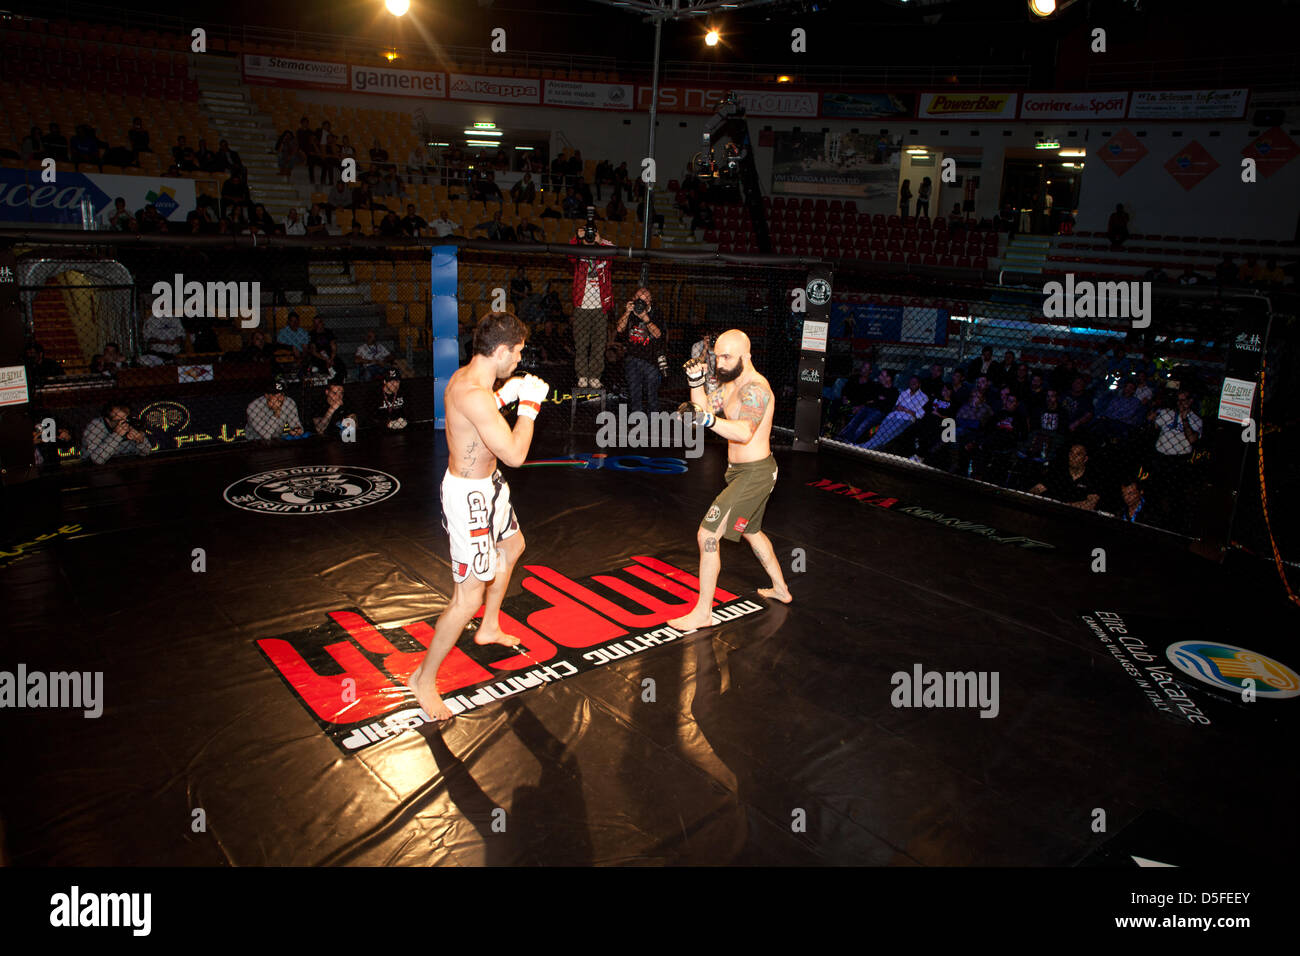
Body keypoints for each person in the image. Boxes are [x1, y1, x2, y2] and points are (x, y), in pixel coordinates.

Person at [406, 312, 550, 722]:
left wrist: (509, 393)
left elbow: (481, 411)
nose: (520, 360)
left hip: (490, 484)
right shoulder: (473, 392)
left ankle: (489, 626)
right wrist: (529, 407)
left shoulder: (471, 380)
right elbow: (516, 454)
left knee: (513, 545)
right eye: (517, 353)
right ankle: (422, 678)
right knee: (466, 596)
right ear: (501, 350)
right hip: (469, 495)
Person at [668, 329, 792, 632]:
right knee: (751, 530)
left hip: (755, 474)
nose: (719, 363)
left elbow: (743, 431)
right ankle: (781, 589)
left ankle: (703, 613)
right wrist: (696, 383)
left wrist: (708, 420)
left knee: (707, 535)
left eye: (726, 357)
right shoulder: (731, 385)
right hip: (742, 472)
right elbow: (704, 411)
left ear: (746, 356)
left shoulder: (756, 389)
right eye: (717, 356)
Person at [569, 222, 615, 388]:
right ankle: (582, 375)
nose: (589, 237)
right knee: (581, 343)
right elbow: (570, 255)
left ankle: (595, 376)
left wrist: (599, 240)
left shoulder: (603, 249)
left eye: (592, 234)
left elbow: (614, 252)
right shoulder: (579, 250)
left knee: (599, 343)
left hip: (600, 305)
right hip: (582, 305)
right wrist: (578, 238)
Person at [617, 286, 663, 415]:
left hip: (650, 359)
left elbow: (658, 334)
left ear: (649, 301)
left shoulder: (656, 313)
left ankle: (653, 419)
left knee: (651, 392)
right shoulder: (631, 313)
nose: (642, 302)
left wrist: (645, 317)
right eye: (639, 299)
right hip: (632, 358)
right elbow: (619, 329)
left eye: (645, 299)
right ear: (634, 299)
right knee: (634, 391)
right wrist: (627, 312)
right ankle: (637, 418)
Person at [1028, 442, 1100, 510]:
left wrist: (1065, 507)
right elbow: (1037, 488)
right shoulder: (1058, 472)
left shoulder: (1091, 477)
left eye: (1078, 454)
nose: (1073, 457)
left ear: (1085, 459)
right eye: (1071, 453)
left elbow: (1091, 503)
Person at [83, 404, 153, 465]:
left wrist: (140, 441)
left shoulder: (130, 423)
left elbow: (146, 452)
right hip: (93, 467)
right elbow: (97, 461)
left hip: (126, 464)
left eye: (126, 419)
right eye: (118, 421)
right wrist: (116, 435)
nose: (123, 423)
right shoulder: (95, 426)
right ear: (107, 420)